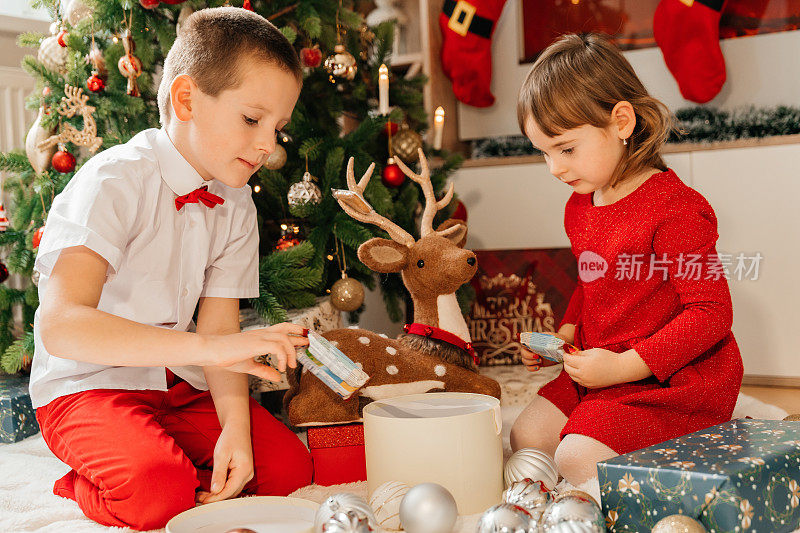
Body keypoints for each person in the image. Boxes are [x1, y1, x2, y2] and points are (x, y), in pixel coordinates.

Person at [30, 7, 312, 530]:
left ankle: (170, 460)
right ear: (186, 100)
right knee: (161, 495)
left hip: (177, 385)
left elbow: (219, 328)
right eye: (253, 119)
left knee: (287, 470)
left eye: (278, 128)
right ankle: (80, 482)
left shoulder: (237, 204)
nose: (268, 145)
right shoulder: (111, 181)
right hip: (89, 387)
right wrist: (210, 350)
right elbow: (62, 324)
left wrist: (236, 431)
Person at [509, 33, 743, 488]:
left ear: (620, 122)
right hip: (603, 367)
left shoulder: (677, 210)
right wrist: (563, 334)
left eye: (566, 149)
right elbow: (593, 282)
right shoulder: (581, 204)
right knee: (527, 435)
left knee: (577, 458)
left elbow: (712, 312)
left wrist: (623, 367)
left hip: (669, 379)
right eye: (544, 153)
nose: (554, 168)